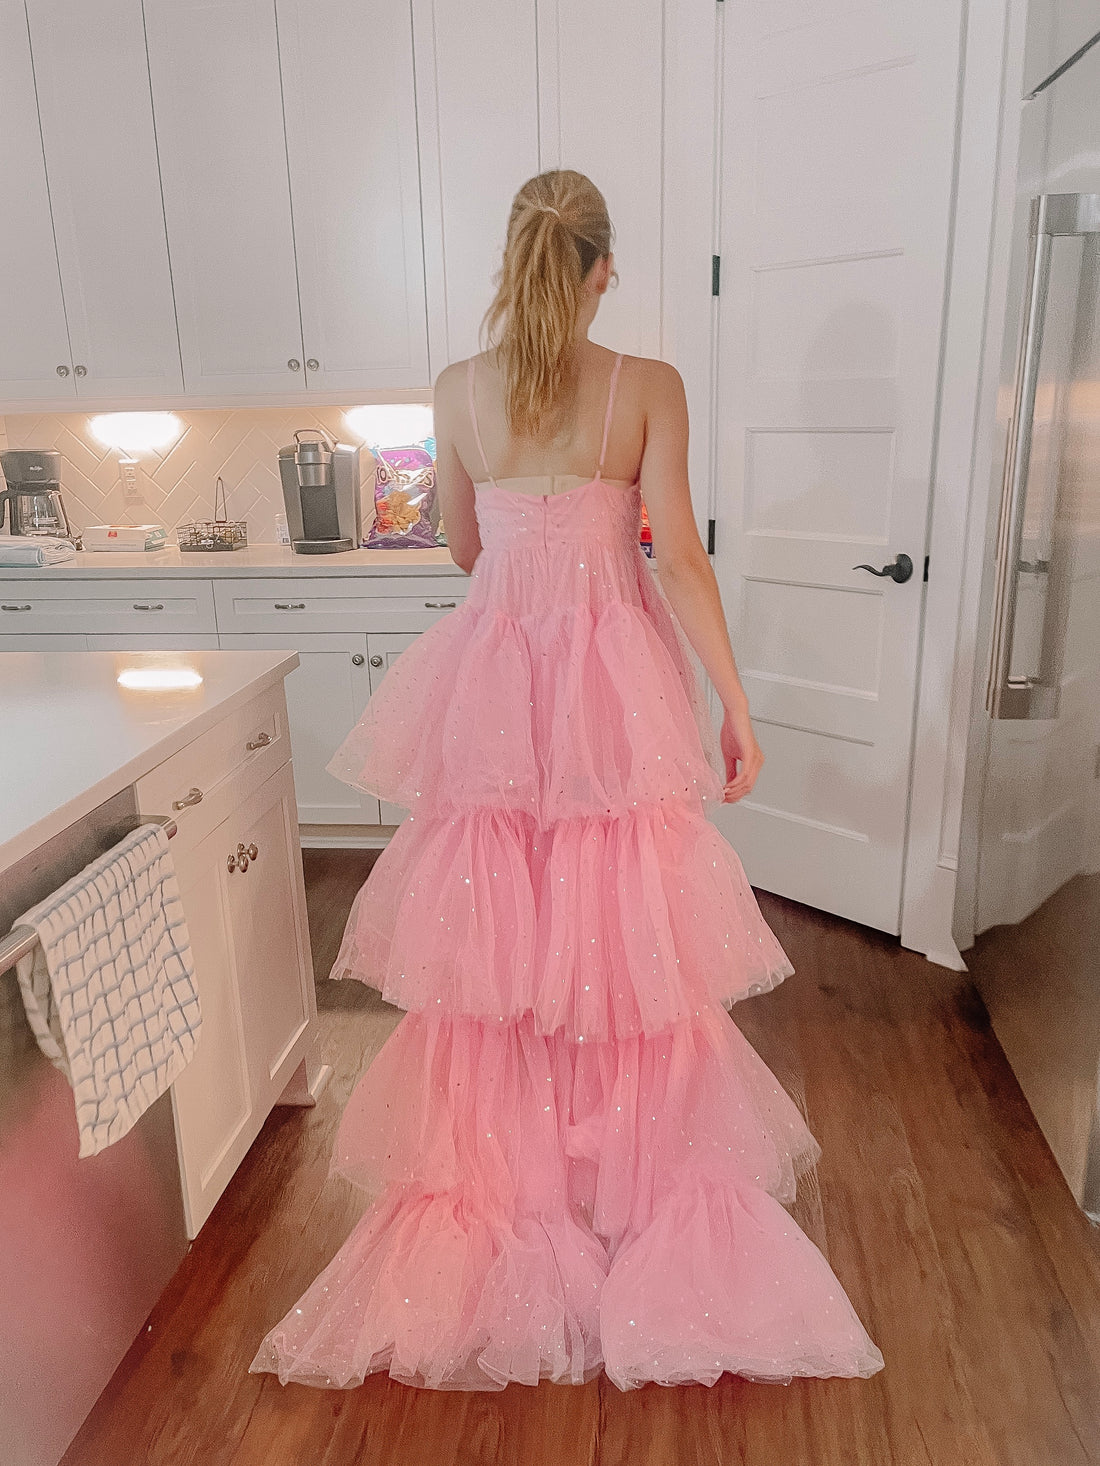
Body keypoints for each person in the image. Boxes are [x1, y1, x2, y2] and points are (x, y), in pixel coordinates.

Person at [249, 168, 884, 1392]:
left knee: (499, 949)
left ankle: (519, 1171)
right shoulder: (644, 388)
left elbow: (461, 544)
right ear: (601, 269)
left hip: (496, 678)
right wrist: (734, 703)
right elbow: (679, 551)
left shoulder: (454, 391)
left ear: (512, 263)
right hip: (609, 682)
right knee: (622, 940)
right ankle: (616, 1176)